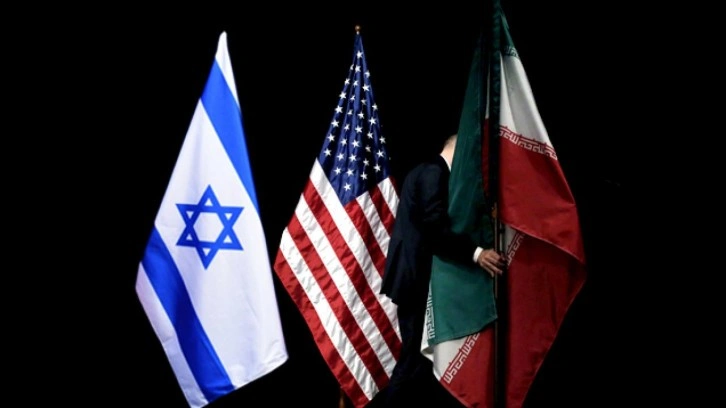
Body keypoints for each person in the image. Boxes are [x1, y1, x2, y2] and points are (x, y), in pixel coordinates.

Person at [378, 133, 504, 407]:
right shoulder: (433, 173)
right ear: (457, 151)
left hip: (415, 281)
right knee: (412, 362)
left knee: (420, 365)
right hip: (416, 282)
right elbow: (434, 230)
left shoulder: (427, 172)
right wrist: (477, 253)